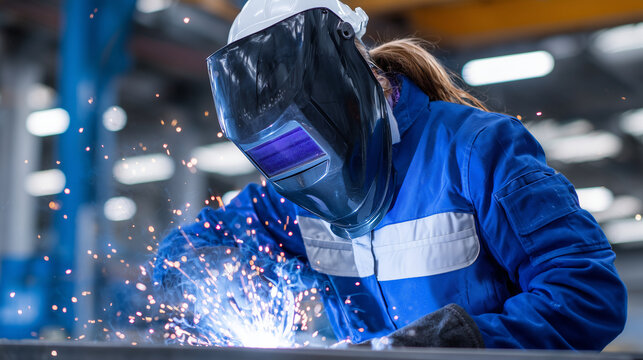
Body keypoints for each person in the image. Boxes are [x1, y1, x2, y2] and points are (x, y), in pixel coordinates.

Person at [155, 0, 627, 349]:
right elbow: (183, 253)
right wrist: (219, 280)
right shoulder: (294, 196)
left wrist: (455, 344)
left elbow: (587, 295)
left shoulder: (476, 150)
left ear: (355, 89)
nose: (313, 173)